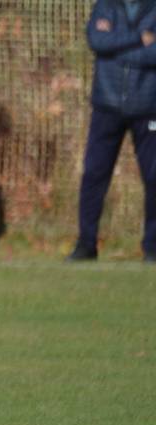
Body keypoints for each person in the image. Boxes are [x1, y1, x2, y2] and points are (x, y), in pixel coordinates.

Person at [67, 0, 156, 262]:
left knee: (154, 177)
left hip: (148, 107)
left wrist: (115, 50)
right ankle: (86, 245)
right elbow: (97, 41)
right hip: (107, 105)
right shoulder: (105, 5)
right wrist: (139, 39)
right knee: (94, 174)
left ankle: (152, 247)